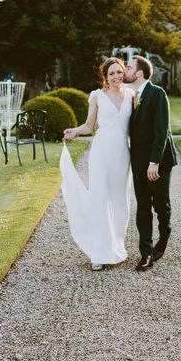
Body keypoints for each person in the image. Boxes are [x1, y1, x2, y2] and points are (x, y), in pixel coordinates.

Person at [60, 58, 133, 271]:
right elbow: (89, 125)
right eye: (111, 73)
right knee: (100, 199)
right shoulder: (97, 96)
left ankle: (116, 246)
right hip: (101, 153)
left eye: (119, 72)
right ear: (105, 77)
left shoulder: (131, 95)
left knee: (120, 203)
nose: (116, 76)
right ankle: (99, 253)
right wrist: (75, 131)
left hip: (122, 154)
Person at [124, 55, 177, 271]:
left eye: (128, 67)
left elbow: (161, 130)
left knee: (161, 204)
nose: (124, 70)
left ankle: (163, 238)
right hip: (138, 160)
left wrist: (154, 162)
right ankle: (145, 253)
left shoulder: (157, 93)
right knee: (143, 205)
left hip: (159, 160)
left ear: (139, 73)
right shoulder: (129, 96)